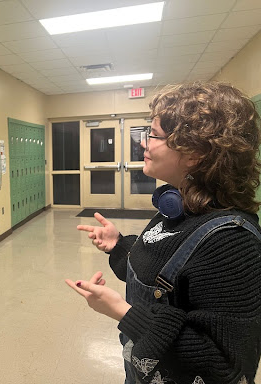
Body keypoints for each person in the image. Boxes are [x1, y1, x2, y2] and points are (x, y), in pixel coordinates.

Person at [66, 82, 261, 384]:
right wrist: (118, 244)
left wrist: (124, 313)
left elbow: (225, 368)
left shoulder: (231, 242)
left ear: (194, 153)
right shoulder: (180, 207)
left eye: (154, 135)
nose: (143, 144)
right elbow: (161, 277)